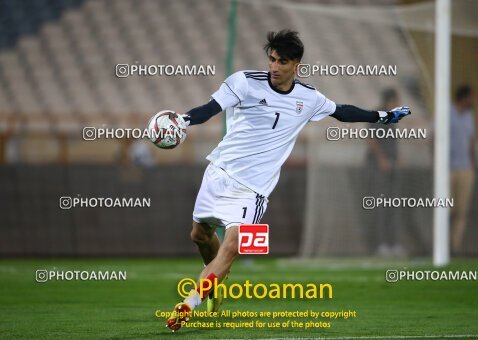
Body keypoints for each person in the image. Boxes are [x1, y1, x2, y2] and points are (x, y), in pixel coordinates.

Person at [166, 29, 411, 332]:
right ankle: (213, 287)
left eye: (282, 61)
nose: (274, 66)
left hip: (253, 189)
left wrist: (383, 116)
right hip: (219, 172)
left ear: (296, 64)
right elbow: (209, 109)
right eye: (271, 59)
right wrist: (184, 120)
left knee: (231, 247)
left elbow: (343, 112)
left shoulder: (308, 98)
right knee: (200, 236)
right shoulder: (244, 82)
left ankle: (189, 304)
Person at [366, 88, 405, 256]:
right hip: (380, 168)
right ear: (389, 101)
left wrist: (398, 157)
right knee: (382, 205)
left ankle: (393, 243)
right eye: (396, 101)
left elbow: (392, 142)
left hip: (392, 166)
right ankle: (381, 244)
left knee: (393, 205)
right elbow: (371, 139)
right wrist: (381, 159)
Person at [450, 85, 476, 253]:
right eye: (471, 97)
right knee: (447, 208)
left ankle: (455, 248)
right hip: (448, 169)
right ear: (463, 97)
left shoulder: (469, 116)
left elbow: (471, 141)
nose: (473, 101)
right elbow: (434, 137)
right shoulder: (447, 112)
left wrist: (472, 164)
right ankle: (440, 244)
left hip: (465, 168)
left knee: (462, 210)